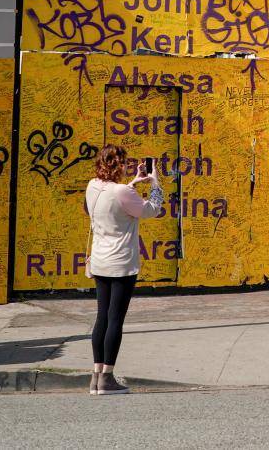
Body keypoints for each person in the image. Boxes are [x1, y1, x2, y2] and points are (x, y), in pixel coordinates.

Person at [84, 145, 164, 395]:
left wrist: (133, 183)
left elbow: (111, 201)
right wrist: (155, 183)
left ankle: (96, 377)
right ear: (119, 165)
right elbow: (151, 210)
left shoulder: (92, 186)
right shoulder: (121, 191)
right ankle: (108, 379)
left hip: (99, 261)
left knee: (102, 318)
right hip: (121, 263)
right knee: (115, 319)